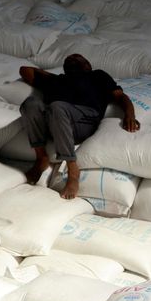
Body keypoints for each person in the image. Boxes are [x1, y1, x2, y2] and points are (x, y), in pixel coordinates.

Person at [19, 54, 138, 200]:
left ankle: (73, 171)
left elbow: (120, 96)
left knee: (57, 106)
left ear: (88, 66)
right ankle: (41, 157)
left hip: (83, 121)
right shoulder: (56, 80)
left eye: (79, 59)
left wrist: (130, 115)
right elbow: (24, 70)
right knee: (30, 103)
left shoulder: (97, 76)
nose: (73, 57)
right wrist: (52, 77)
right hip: (53, 121)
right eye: (69, 59)